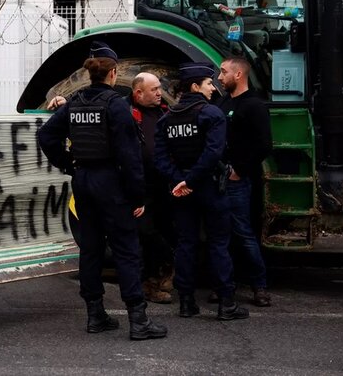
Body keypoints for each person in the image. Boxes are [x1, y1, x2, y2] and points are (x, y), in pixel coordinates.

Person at [38, 41, 168, 340]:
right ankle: (139, 320)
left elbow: (47, 135)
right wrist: (137, 196)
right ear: (113, 74)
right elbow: (129, 156)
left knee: (91, 250)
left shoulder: (75, 102)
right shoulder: (116, 105)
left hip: (83, 182)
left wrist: (69, 164)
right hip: (111, 184)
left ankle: (95, 315)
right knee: (126, 250)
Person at [154, 62, 249, 321]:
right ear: (195, 86)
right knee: (219, 244)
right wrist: (192, 181)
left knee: (186, 244)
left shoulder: (167, 119)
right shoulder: (212, 115)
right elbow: (213, 153)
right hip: (208, 187)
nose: (212, 88)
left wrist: (180, 181)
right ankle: (226, 304)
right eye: (208, 83)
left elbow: (160, 157)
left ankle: (186, 302)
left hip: (181, 191)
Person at [216, 56, 273, 307]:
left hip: (237, 181)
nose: (219, 77)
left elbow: (264, 145)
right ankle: (225, 286)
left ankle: (259, 286)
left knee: (243, 233)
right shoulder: (223, 102)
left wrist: (240, 170)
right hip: (219, 179)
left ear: (238, 75)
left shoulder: (254, 106)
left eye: (223, 72)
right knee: (221, 235)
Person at [127, 73, 175, 304]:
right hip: (140, 187)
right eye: (154, 89)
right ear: (138, 93)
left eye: (159, 88)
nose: (159, 92)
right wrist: (63, 102)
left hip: (163, 186)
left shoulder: (165, 112)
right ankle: (147, 285)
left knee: (166, 230)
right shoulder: (125, 112)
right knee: (146, 235)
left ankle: (161, 277)